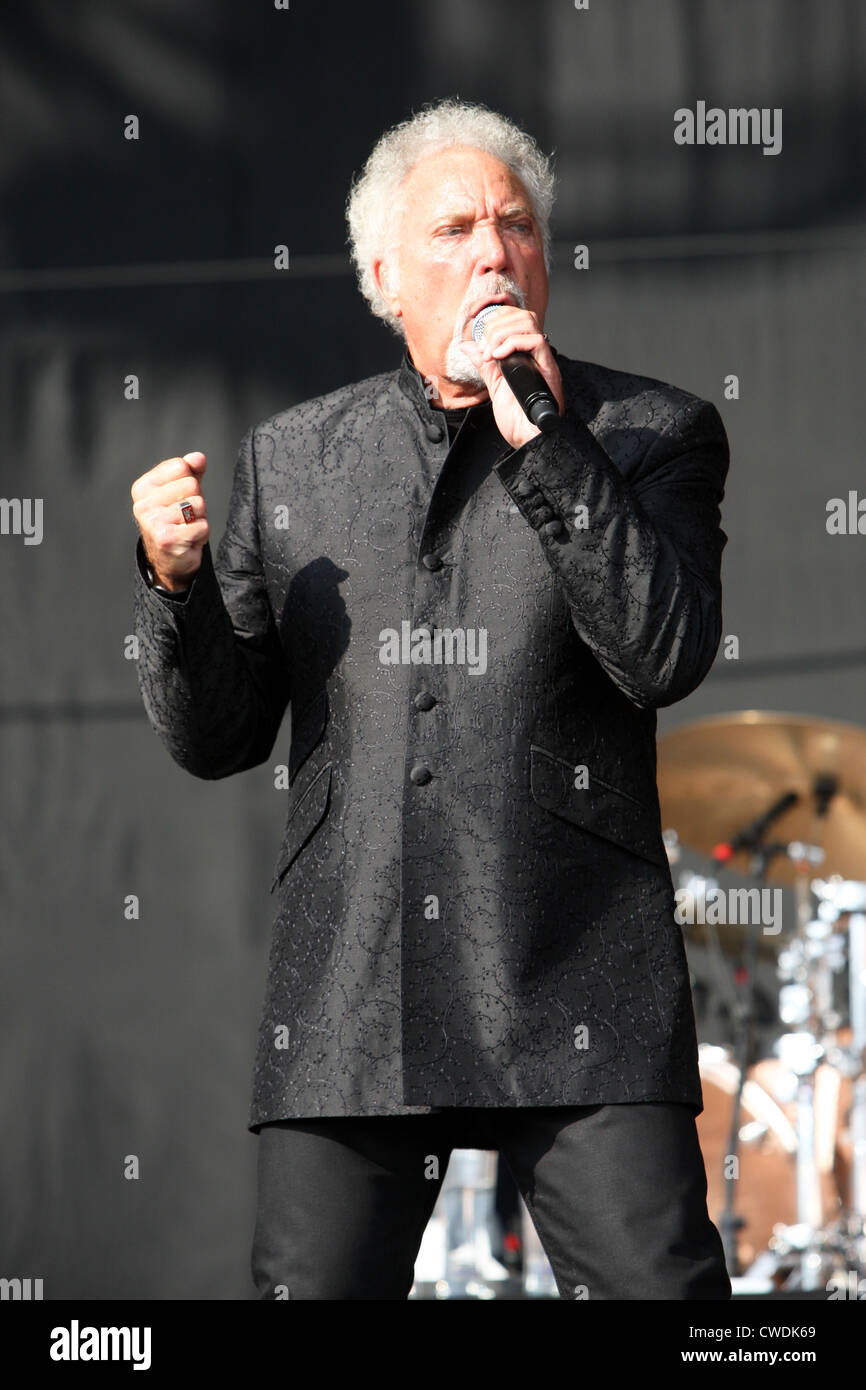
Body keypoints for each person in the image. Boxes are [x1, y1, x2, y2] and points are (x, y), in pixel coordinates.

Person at [130, 99, 731, 1300]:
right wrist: (174, 587)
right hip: (354, 989)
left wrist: (546, 437)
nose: (492, 252)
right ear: (381, 275)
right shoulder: (293, 459)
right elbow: (220, 737)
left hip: (573, 976)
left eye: (514, 228)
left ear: (545, 261)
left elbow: (660, 652)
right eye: (455, 228)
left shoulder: (652, 431)